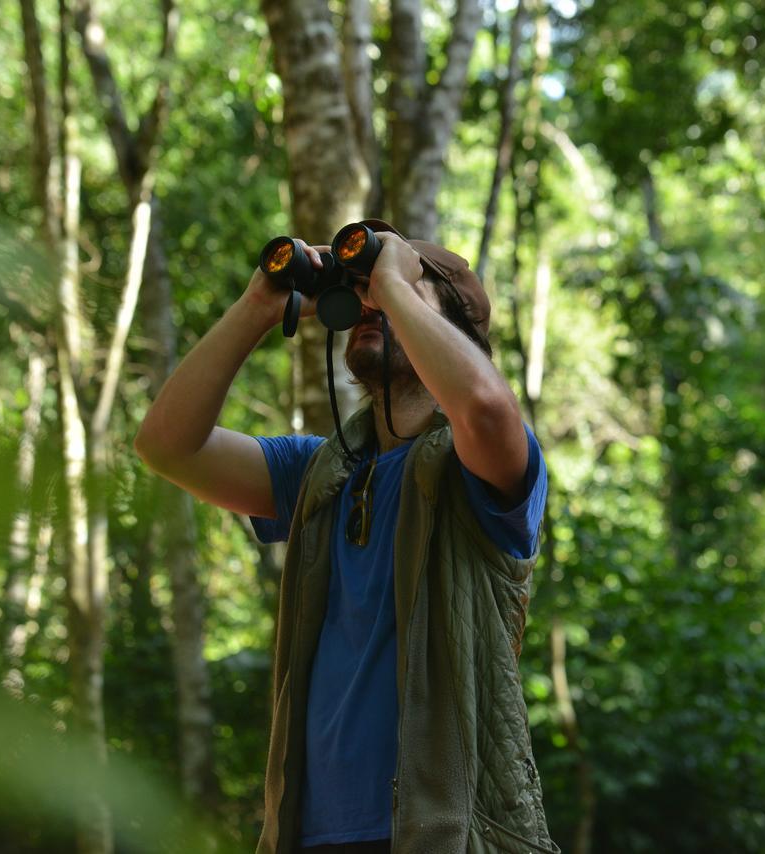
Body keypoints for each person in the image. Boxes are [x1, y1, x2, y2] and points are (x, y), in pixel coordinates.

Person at [134, 220, 559, 854]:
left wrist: (394, 283)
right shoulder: (321, 472)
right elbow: (167, 447)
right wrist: (258, 306)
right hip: (309, 833)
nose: (368, 303)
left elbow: (485, 408)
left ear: (455, 328)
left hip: (443, 832)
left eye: (393, 291)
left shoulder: (485, 463)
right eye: (358, 293)